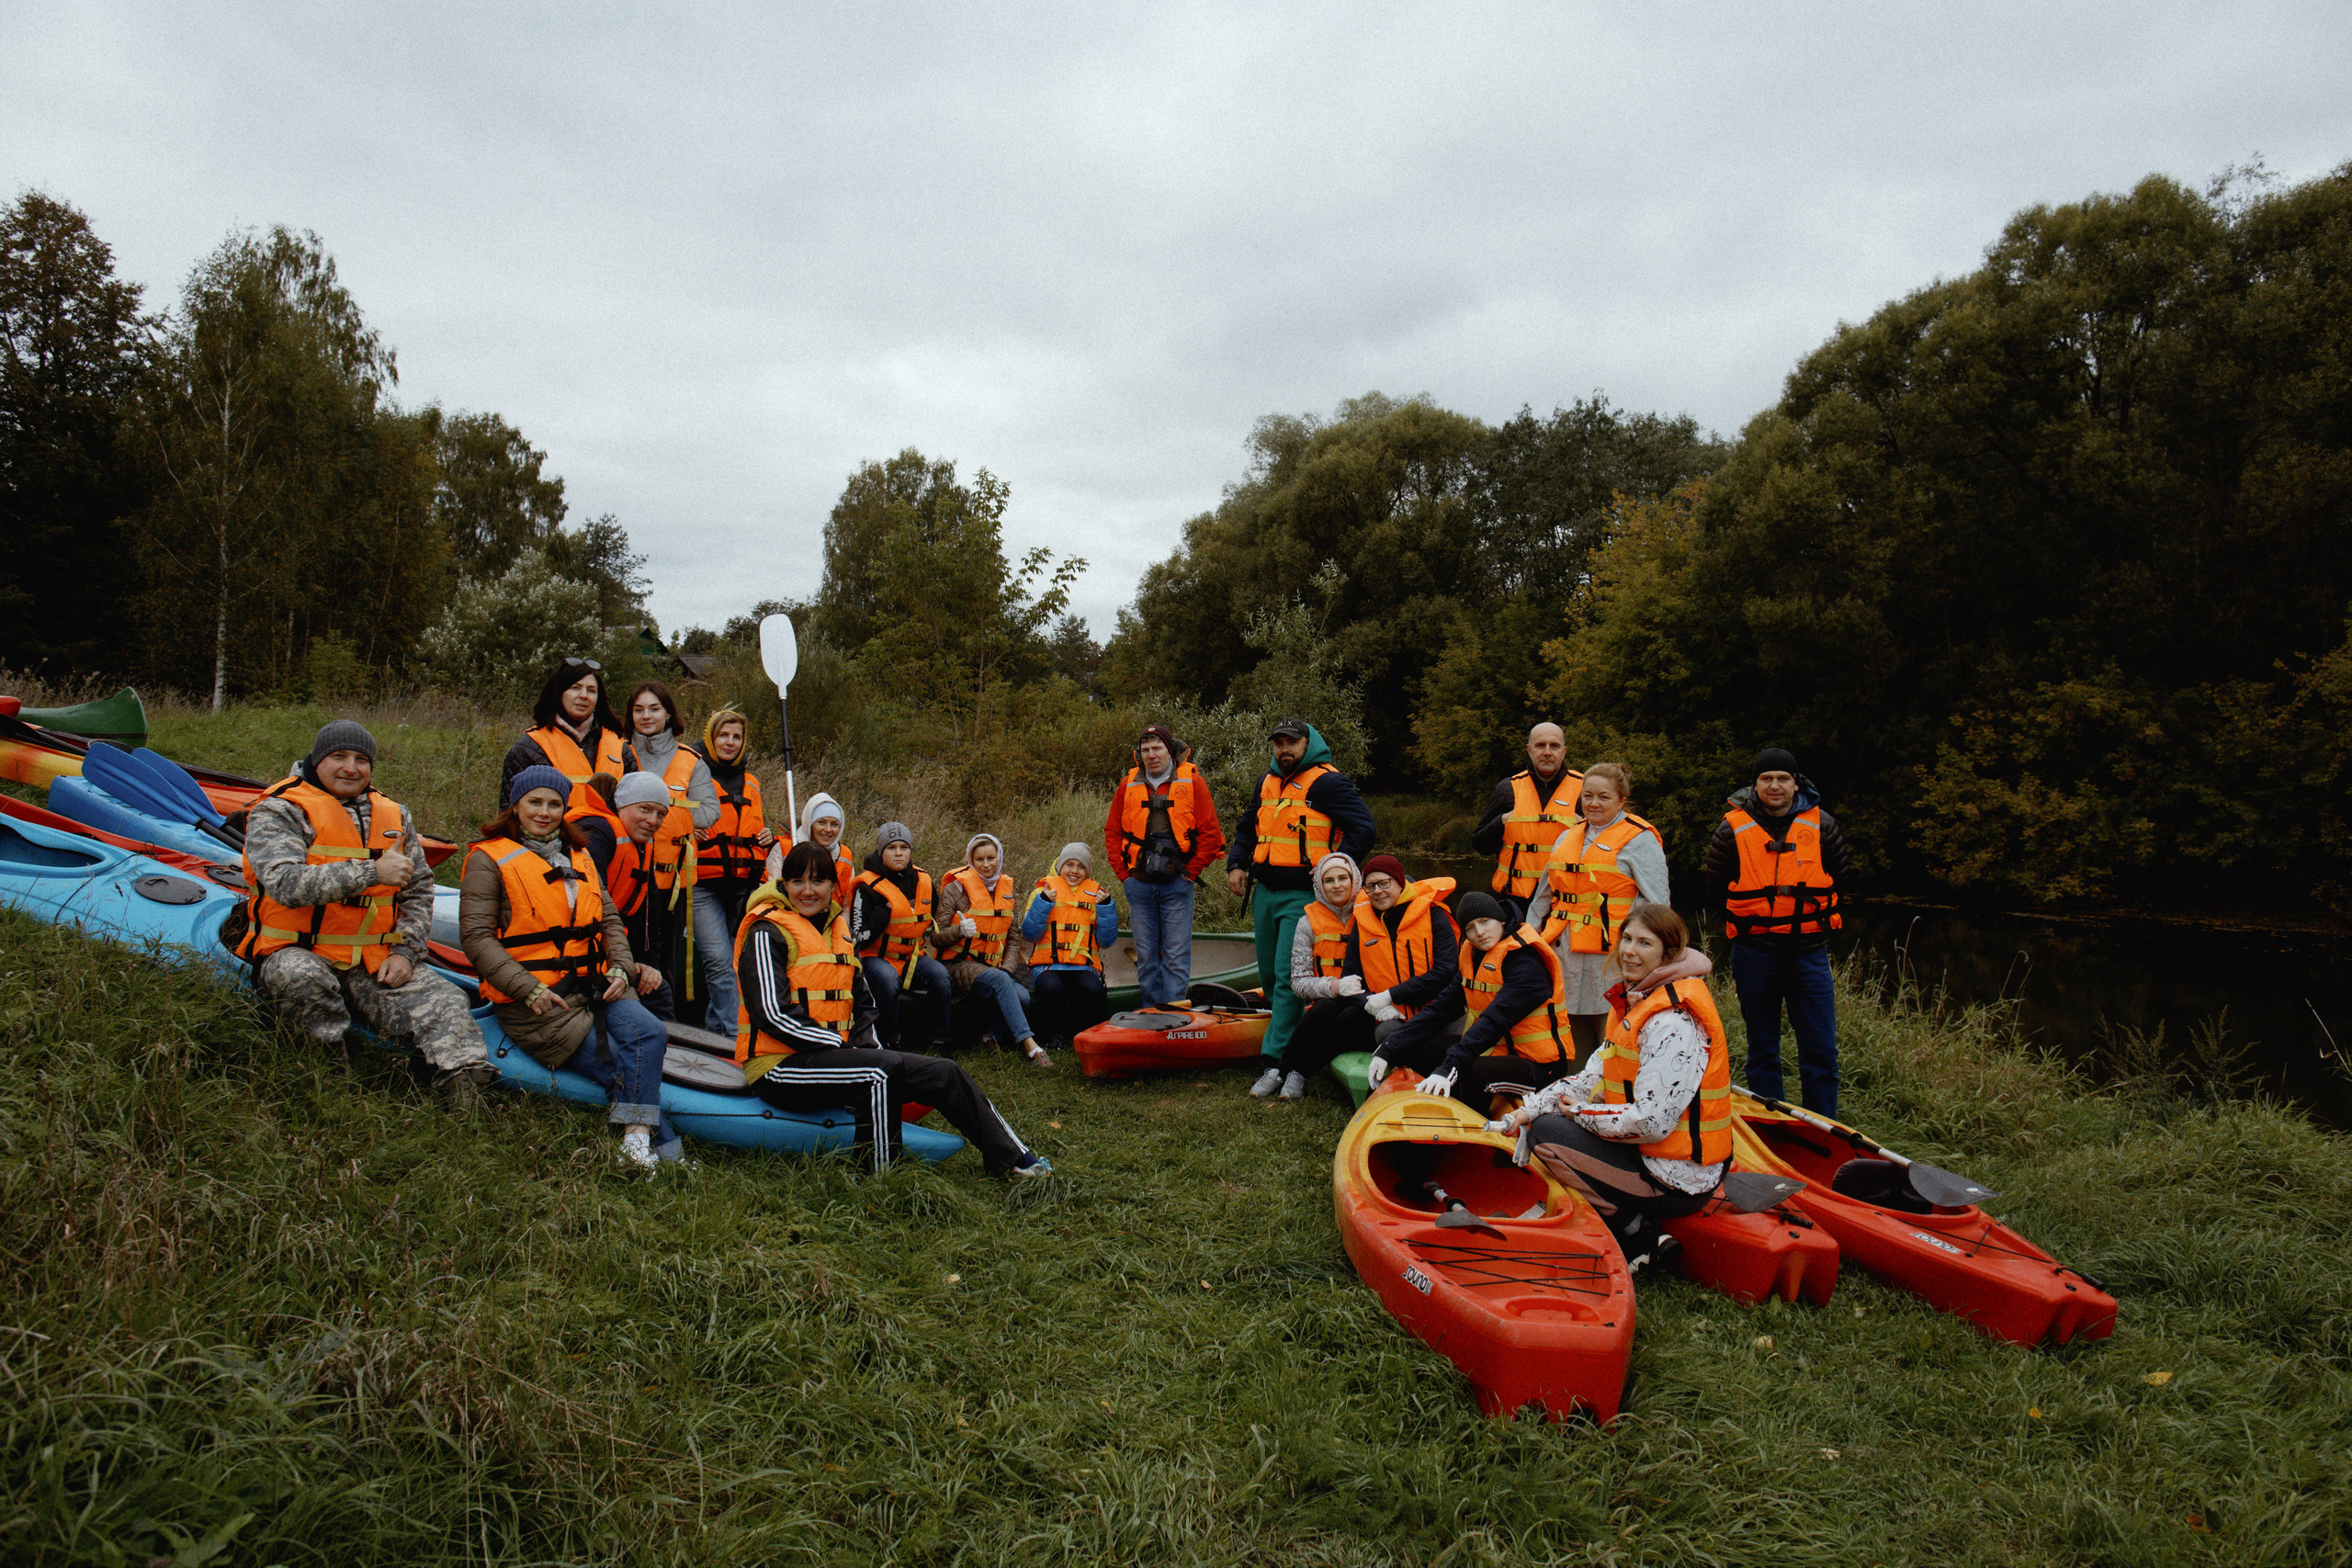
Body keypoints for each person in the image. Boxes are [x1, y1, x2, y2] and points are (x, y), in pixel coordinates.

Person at [736, 842, 1049, 1178]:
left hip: (832, 1056)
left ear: (833, 886)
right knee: (879, 1071)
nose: (808, 891)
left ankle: (1013, 1159)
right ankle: (878, 1177)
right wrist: (844, 1050)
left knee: (945, 1071)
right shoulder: (766, 930)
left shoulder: (837, 931)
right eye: (797, 882)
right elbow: (771, 1013)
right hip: (779, 1066)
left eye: (818, 882)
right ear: (784, 884)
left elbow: (864, 1004)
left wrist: (866, 1049)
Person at [234, 720, 494, 1107]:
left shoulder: (393, 814)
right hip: (295, 950)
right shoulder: (279, 810)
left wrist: (406, 952)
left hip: (371, 957)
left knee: (448, 1002)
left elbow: (419, 890)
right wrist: (372, 872)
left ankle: (466, 1097)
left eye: (361, 760)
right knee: (300, 978)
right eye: (338, 756)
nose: (350, 768)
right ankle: (326, 1088)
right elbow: (285, 884)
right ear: (317, 760)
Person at [1489, 903, 1731, 1275]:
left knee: (1549, 1135)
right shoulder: (1638, 1004)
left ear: (1668, 954)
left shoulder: (1674, 1022)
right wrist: (1530, 1108)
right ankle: (1640, 1230)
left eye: (1645, 944)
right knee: (1543, 1120)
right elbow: (1589, 1078)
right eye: (1627, 939)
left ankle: (1636, 1232)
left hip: (1676, 1178)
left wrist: (1579, 1115)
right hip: (1648, 1155)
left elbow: (1652, 1123)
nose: (1630, 951)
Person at [459, 766, 681, 1170]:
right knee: (619, 1062)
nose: (544, 812)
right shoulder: (487, 860)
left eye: (554, 804)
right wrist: (526, 988)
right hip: (539, 1002)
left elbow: (610, 920)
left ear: (565, 809)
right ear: (516, 805)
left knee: (650, 1031)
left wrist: (620, 967)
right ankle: (669, 1153)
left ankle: (635, 1140)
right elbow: (476, 939)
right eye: (535, 802)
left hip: (596, 984)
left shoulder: (579, 854)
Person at [1224, 718, 1375, 1076]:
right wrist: (1236, 864)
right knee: (1266, 972)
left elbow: (1364, 828)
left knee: (1286, 975)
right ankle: (1292, 1033)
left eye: (1291, 742)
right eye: (1278, 743)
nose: (1284, 749)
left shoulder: (1329, 783)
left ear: (1308, 743)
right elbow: (1248, 826)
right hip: (1265, 893)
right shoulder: (1266, 781)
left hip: (1302, 896)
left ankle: (1275, 1057)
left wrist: (1334, 863)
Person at [1705, 748, 1849, 1114]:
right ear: (1755, 784)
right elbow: (1716, 884)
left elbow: (1840, 878)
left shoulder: (1823, 825)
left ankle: (1821, 1124)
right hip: (1755, 951)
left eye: (1783, 778)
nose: (1775, 785)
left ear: (1795, 783)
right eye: (1766, 778)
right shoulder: (1731, 829)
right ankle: (1771, 1121)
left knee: (1820, 1049)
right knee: (1762, 1046)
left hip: (1809, 951)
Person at [1370, 891, 1582, 1113]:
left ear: (1501, 919)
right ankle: (1430, 1102)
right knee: (1415, 1049)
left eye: (1484, 922)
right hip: (1496, 1049)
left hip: (1539, 1066)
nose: (1479, 932)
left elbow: (1493, 1022)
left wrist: (1449, 1065)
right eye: (1470, 928)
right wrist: (1389, 1046)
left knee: (1472, 1070)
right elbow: (1441, 1008)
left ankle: (1470, 1126)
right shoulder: (1474, 955)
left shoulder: (1526, 963)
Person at [1525, 762, 1668, 1064]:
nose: (1593, 803)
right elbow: (1541, 898)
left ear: (1621, 800)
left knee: (1613, 1037)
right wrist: (1528, 939)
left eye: (1603, 797)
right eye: (1587, 796)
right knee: (1570, 1036)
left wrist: (1644, 956)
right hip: (1564, 953)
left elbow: (1658, 907)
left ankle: (1613, 1100)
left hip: (1613, 959)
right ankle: (1572, 1096)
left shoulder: (1639, 840)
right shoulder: (1567, 838)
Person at [1103, 724, 1226, 1009]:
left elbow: (1211, 834)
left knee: (1175, 957)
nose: (1151, 755)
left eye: (1157, 747)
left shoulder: (1193, 782)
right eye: (1145, 749)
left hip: (1177, 883)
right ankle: (1151, 1016)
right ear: (1140, 754)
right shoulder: (1128, 784)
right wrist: (1124, 876)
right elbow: (1112, 832)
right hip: (1139, 884)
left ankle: (1175, 1017)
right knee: (1146, 958)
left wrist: (1191, 873)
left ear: (1169, 750)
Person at [570, 771, 690, 1021]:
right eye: (644, 809)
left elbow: (649, 909)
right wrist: (621, 962)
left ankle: (669, 1053)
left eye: (660, 814)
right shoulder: (596, 831)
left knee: (657, 988)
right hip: (580, 951)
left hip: (613, 950)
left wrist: (648, 963)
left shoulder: (642, 845)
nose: (652, 821)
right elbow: (592, 900)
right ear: (621, 805)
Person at [1253, 852, 1365, 1100]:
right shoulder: (1307, 922)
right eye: (1329, 880)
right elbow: (1299, 982)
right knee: (1324, 1010)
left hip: (1365, 1001)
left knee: (1349, 1017)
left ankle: (1293, 1070)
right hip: (1329, 997)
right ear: (1319, 886)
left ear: (1355, 880)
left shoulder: (1370, 916)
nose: (1337, 885)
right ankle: (1289, 1073)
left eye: (1343, 878)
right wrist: (1334, 987)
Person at [933, 832, 1052, 1066]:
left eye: (991, 858)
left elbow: (1013, 938)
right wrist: (959, 931)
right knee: (1001, 982)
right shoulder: (955, 890)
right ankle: (1031, 1047)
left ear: (999, 858)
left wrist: (1008, 968)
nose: (986, 865)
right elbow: (936, 938)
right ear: (971, 860)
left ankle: (992, 1037)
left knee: (1022, 996)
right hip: (958, 965)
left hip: (994, 968)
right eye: (979, 859)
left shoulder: (1005, 889)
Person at [689, 705, 773, 1033]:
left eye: (736, 736)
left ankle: (716, 1028)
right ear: (711, 737)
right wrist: (687, 826)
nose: (730, 742)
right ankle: (734, 1035)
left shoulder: (751, 782)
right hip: (703, 883)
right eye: (723, 735)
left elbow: (755, 825)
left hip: (743, 884)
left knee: (734, 962)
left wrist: (765, 836)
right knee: (719, 961)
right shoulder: (692, 774)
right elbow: (672, 817)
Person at [849, 822, 951, 1051]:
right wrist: (880, 916)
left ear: (910, 851)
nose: (898, 853)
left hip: (912, 955)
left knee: (940, 975)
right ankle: (890, 1040)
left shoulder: (923, 880)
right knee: (886, 981)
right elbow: (858, 937)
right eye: (891, 847)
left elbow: (936, 916)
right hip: (875, 956)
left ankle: (941, 1040)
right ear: (880, 851)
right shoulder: (866, 886)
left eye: (903, 847)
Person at [1472, 722, 1584, 921]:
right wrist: (1501, 821)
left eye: (1554, 746)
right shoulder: (1508, 788)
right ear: (1529, 750)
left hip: (1567, 900)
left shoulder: (1586, 789)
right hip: (1516, 902)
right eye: (1541, 746)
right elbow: (1480, 844)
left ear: (1564, 752)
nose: (1547, 752)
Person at [502, 657, 634, 814]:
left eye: (591, 690)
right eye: (575, 688)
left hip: (608, 837)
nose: (584, 695)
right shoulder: (529, 746)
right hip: (555, 837)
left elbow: (636, 807)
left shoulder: (620, 746)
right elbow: (509, 812)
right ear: (559, 693)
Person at [1019, 843, 1118, 1046]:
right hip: (1048, 965)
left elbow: (1106, 941)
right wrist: (1043, 902)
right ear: (1060, 866)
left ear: (1087, 871)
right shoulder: (1041, 891)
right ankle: (1053, 1034)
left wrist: (1106, 908)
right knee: (1051, 987)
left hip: (1083, 966)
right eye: (1069, 864)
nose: (1074, 871)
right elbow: (1030, 934)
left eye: (1081, 866)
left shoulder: (1098, 894)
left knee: (1092, 989)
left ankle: (1084, 1034)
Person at [775, 792, 855, 910]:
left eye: (834, 824)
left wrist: (843, 919)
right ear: (810, 823)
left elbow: (848, 900)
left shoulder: (845, 854)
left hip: (831, 921)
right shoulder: (784, 848)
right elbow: (772, 892)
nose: (828, 830)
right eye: (821, 822)